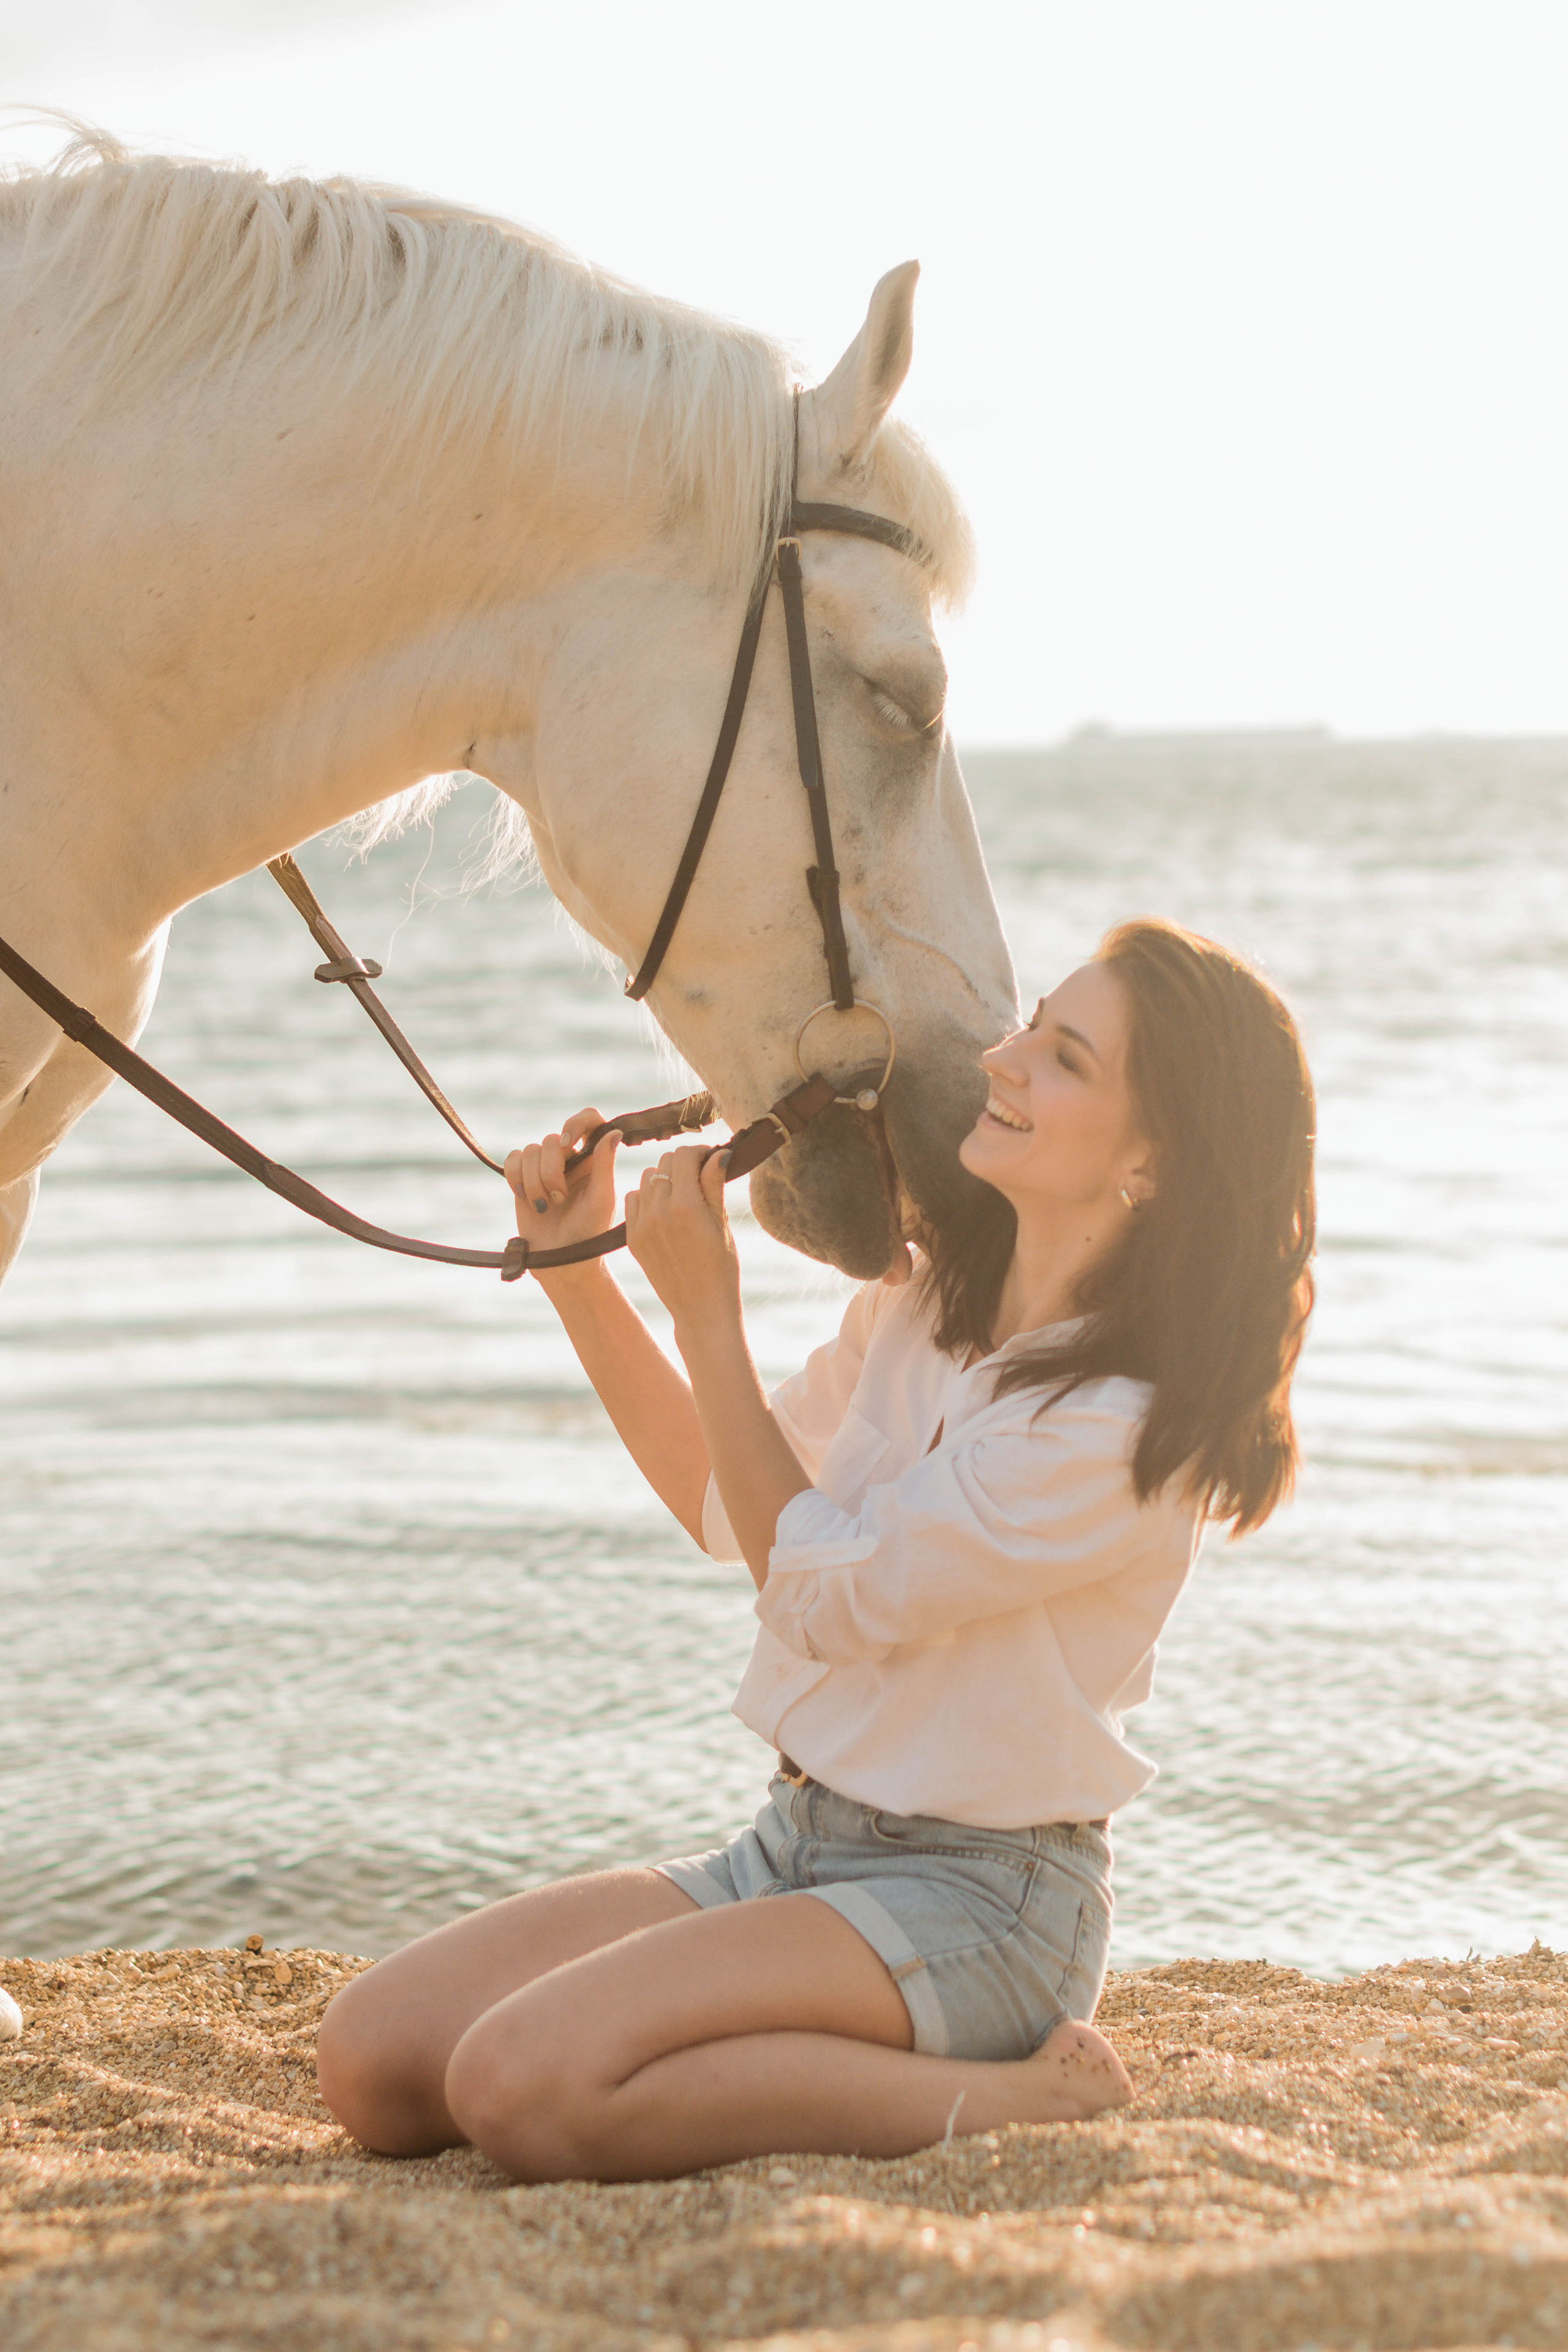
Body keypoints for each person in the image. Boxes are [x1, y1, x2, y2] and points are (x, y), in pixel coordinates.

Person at [315, 916, 1316, 2183]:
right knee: (376, 2062)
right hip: (794, 1846)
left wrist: (712, 1318)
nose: (999, 1059)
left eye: (1061, 1057)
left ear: (1153, 1164)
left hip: (981, 1902)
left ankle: (1020, 2105)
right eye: (1028, 1027)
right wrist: (580, 1267)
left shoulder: (1119, 1431)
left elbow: (825, 1599)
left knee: (522, 2087)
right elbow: (721, 1498)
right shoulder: (920, 1303)